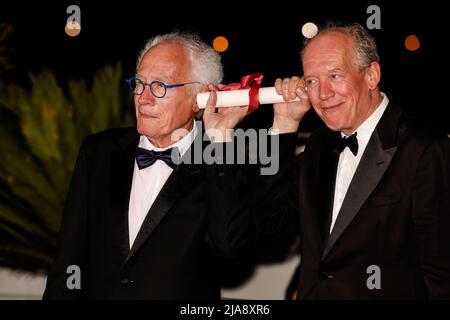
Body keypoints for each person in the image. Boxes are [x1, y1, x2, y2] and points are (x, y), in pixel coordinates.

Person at [248, 23, 450, 299]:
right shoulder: (319, 144)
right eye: (311, 81)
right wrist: (284, 123)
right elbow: (270, 224)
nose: (322, 94)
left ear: (371, 75)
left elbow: (442, 273)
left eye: (334, 75)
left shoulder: (425, 149)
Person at [43, 32, 251, 299]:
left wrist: (220, 142)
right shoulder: (99, 152)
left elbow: (230, 247)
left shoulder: (223, 161)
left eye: (160, 87)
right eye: (139, 83)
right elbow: (67, 259)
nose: (143, 97)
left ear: (198, 98)